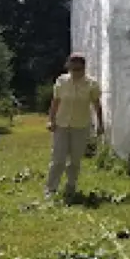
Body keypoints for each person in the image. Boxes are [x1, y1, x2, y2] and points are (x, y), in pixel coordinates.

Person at [45, 52, 105, 200]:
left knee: (75, 160)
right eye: (73, 69)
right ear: (68, 67)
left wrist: (100, 124)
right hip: (61, 125)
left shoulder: (91, 84)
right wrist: (51, 120)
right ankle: (50, 189)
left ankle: (71, 187)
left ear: (84, 68)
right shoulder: (62, 81)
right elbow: (55, 102)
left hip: (81, 125)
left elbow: (97, 105)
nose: (76, 72)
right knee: (58, 159)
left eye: (79, 69)